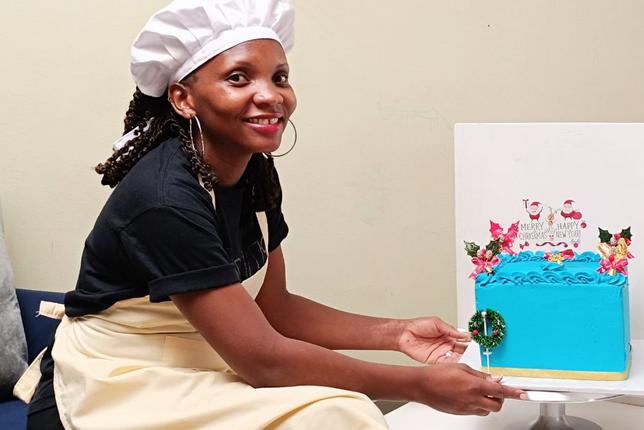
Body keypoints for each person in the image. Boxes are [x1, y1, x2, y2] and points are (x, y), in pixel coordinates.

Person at [21, 1, 526, 428]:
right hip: (116, 382)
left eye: (279, 76)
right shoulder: (162, 201)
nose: (271, 95)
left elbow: (273, 307)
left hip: (197, 361)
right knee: (335, 414)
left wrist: (395, 333)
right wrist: (418, 386)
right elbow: (263, 359)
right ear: (183, 98)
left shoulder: (254, 172)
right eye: (238, 77)